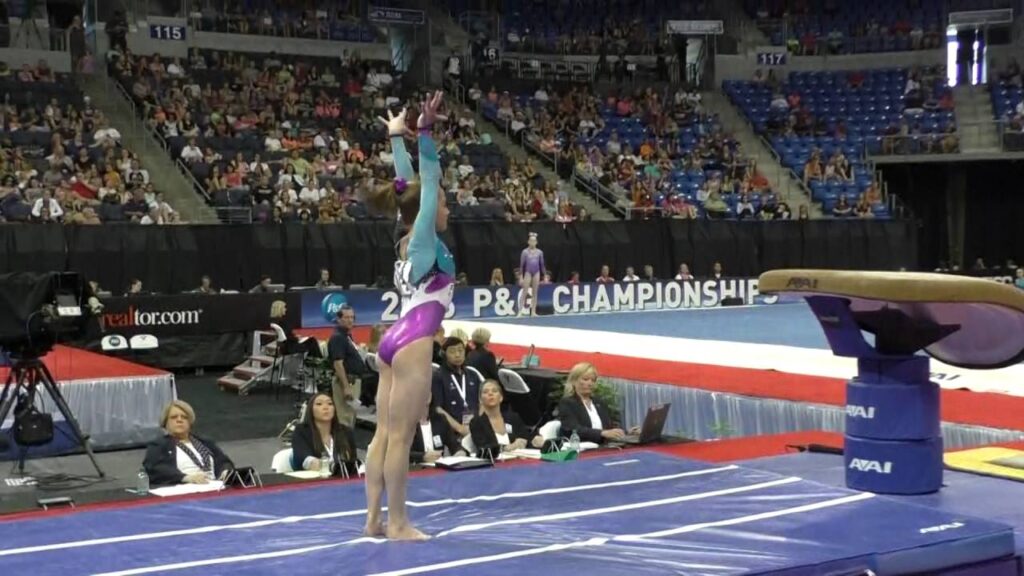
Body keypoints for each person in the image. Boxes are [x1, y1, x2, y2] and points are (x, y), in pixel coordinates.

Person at [363, 93, 453, 540]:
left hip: (392, 337)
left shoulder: (407, 233)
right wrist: (424, 131)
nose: (448, 209)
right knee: (400, 438)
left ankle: (372, 520)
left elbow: (409, 187)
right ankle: (398, 522)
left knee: (382, 434)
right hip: (415, 338)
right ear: (429, 210)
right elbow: (429, 180)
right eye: (444, 204)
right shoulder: (424, 242)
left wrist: (395, 136)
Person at [143, 400, 234, 486]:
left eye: (184, 417)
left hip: (214, 486)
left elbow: (224, 462)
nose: (179, 420)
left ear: (190, 422)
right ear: (165, 423)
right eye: (174, 417)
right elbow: (154, 470)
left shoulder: (206, 442)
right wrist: (186, 478)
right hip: (183, 490)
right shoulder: (158, 445)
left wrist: (225, 471)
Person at [557, 362, 634, 444]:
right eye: (585, 379)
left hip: (604, 447)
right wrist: (601, 433)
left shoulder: (599, 403)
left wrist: (626, 432)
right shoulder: (567, 403)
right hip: (581, 448)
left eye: (593, 380)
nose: (590, 383)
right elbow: (573, 429)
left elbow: (609, 428)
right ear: (574, 381)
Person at [470, 380, 543, 459]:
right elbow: (484, 447)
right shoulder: (476, 422)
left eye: (494, 391)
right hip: (494, 465)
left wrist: (534, 440)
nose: (490, 394)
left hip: (518, 462)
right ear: (480, 399)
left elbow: (525, 436)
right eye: (485, 392)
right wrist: (508, 447)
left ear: (501, 397)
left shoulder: (512, 418)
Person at [290, 393, 359, 477]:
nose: (326, 407)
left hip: (343, 481)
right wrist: (332, 467)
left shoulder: (345, 431)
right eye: (319, 404)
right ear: (310, 409)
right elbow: (306, 460)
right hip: (313, 482)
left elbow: (354, 461)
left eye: (330, 404)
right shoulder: (301, 431)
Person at [327, 305, 370, 427]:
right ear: (339, 319)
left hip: (353, 381)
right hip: (347, 382)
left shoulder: (346, 336)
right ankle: (343, 445)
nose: (350, 320)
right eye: (346, 317)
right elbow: (338, 363)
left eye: (352, 317)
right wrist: (346, 386)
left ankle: (347, 444)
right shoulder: (338, 338)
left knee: (349, 417)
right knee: (344, 418)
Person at [431, 336, 483, 436]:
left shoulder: (472, 374)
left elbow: (482, 402)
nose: (457, 355)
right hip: (451, 432)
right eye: (452, 351)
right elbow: (438, 409)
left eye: (460, 350)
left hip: (475, 429)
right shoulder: (439, 377)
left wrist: (478, 424)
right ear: (444, 354)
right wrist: (459, 428)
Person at [410, 394, 466, 465]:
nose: (426, 394)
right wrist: (423, 457)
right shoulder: (405, 422)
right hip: (415, 470)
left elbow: (454, 444)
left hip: (439, 470)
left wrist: (459, 452)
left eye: (428, 391)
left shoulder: (440, 420)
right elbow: (401, 453)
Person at [518, 232, 545, 316]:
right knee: (525, 292)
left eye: (534, 241)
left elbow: (542, 264)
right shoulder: (525, 252)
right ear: (528, 242)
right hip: (528, 272)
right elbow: (521, 266)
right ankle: (520, 311)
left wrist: (544, 276)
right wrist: (521, 277)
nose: (532, 242)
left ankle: (533, 311)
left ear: (536, 242)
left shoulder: (540, 252)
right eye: (531, 241)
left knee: (535, 292)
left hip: (537, 272)